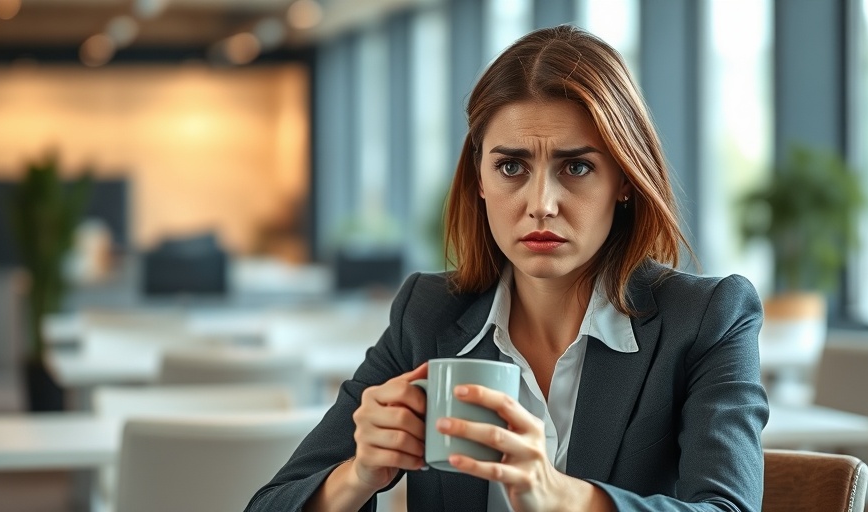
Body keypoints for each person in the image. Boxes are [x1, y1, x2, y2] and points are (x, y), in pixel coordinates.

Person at [245, 24, 768, 512]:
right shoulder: (426, 315)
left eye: (577, 166)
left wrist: (563, 496)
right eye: (511, 167)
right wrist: (358, 473)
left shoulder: (706, 319)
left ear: (625, 180)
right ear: (479, 178)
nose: (541, 203)